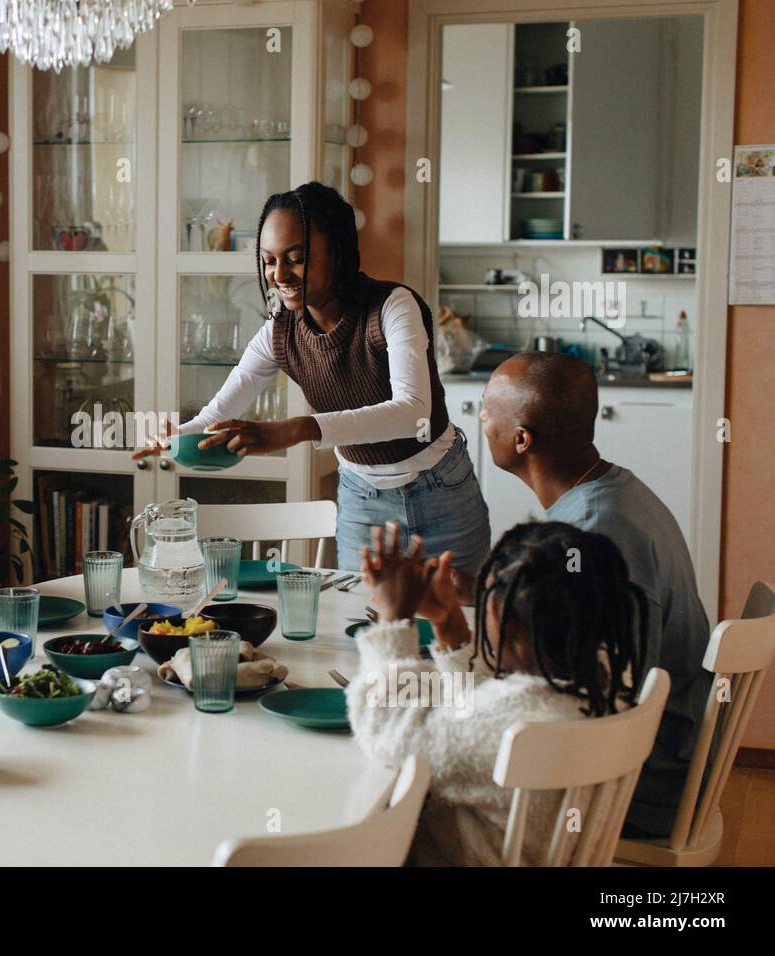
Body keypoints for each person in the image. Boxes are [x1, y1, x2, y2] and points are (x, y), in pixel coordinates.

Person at [134, 182, 488, 597]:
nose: (279, 275)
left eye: (296, 259)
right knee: (369, 628)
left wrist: (297, 429)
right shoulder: (279, 333)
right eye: (268, 261)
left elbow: (413, 411)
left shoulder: (393, 306)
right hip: (362, 498)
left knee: (460, 630)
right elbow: (216, 414)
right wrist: (175, 438)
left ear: (337, 251)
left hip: (441, 489)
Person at [479, 351, 710, 836]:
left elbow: (603, 695)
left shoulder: (594, 532)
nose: (479, 420)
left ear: (522, 439)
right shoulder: (611, 493)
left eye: (485, 410)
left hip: (640, 778)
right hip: (659, 746)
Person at [348, 520, 646, 866]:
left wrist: (392, 620)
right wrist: (450, 627)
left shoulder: (506, 730)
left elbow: (389, 732)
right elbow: (482, 707)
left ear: (507, 619)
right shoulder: (606, 695)